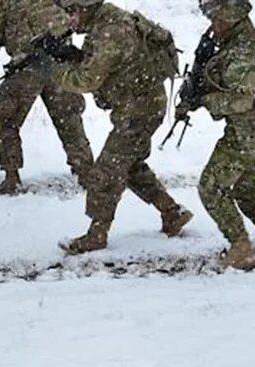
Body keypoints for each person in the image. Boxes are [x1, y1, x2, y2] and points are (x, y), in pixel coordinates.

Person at [50, 0, 193, 253]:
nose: (69, 19)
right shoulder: (106, 21)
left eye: (72, 12)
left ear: (86, 8)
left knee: (106, 171)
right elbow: (110, 63)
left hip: (139, 111)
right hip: (142, 105)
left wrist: (55, 68)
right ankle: (172, 212)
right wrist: (73, 56)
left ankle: (97, 235)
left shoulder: (110, 31)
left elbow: (86, 80)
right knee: (130, 165)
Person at [189, 0, 255, 269]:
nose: (213, 25)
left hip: (249, 133)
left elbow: (241, 100)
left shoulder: (243, 51)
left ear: (231, 17)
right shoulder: (252, 39)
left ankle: (241, 248)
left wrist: (204, 100)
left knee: (211, 187)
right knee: (247, 187)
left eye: (217, 19)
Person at [0, 0, 94, 194]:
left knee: (7, 120)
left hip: (27, 66)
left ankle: (11, 177)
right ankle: (85, 171)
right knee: (69, 120)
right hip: (60, 61)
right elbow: (80, 14)